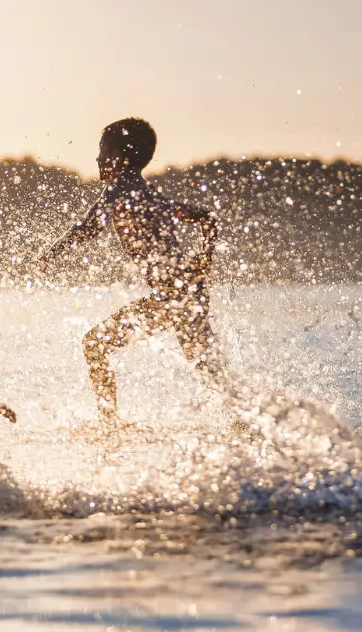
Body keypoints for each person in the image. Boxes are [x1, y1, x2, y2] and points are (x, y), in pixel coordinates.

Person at [36, 117, 226, 423]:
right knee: (208, 370)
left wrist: (50, 254)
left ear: (121, 156)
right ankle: (252, 420)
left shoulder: (120, 187)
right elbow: (207, 219)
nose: (98, 158)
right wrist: (204, 263)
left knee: (95, 345)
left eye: (103, 150)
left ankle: (109, 425)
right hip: (187, 290)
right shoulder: (147, 192)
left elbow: (89, 227)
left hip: (173, 294)